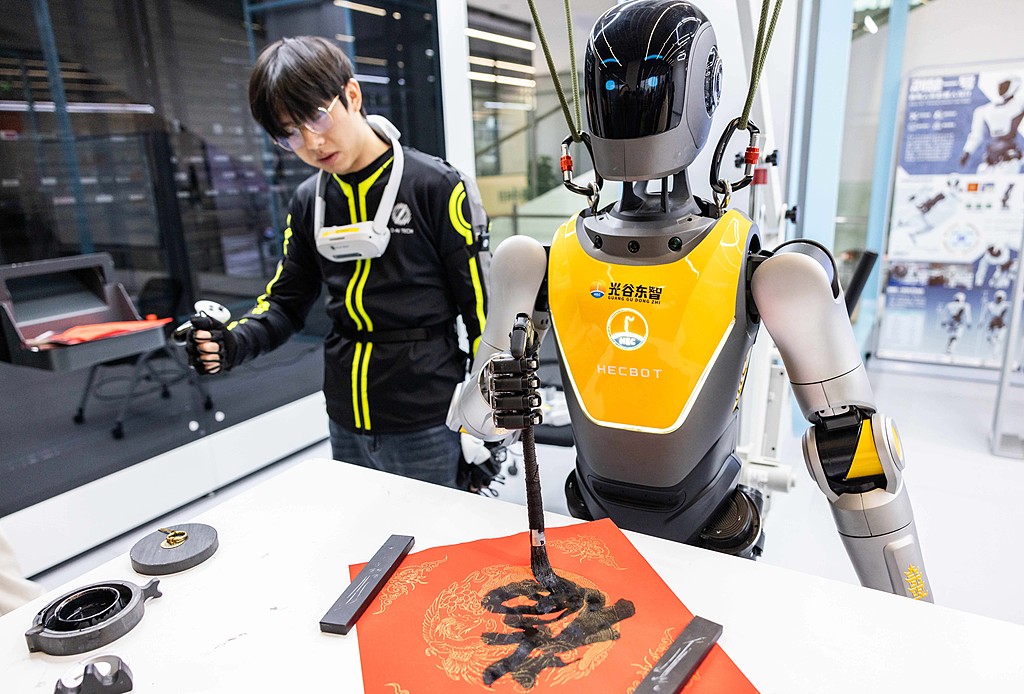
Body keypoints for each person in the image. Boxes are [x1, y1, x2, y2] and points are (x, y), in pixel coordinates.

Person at [185, 36, 488, 489]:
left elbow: (482, 310)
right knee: (364, 546)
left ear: (352, 95)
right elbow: (285, 304)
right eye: (288, 133)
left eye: (315, 116)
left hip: (427, 416)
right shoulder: (310, 200)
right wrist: (231, 345)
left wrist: (488, 413)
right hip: (345, 417)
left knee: (434, 549)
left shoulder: (436, 186)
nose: (310, 141)